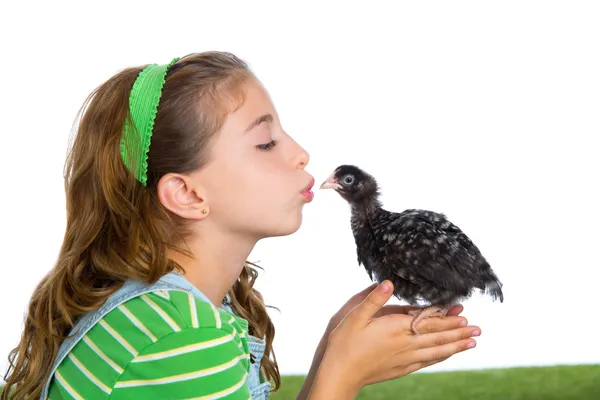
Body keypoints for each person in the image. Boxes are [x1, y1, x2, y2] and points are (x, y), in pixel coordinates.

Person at [2, 51, 481, 399]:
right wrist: (342, 375)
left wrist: (328, 360)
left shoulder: (188, 313)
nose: (301, 153)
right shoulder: (178, 335)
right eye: (266, 142)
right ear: (188, 194)